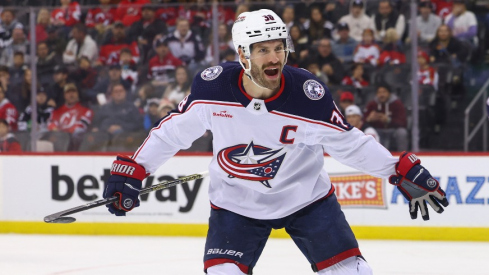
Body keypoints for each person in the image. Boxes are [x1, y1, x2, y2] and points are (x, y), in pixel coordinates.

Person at [101, 9, 449, 275]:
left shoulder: (306, 95)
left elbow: (349, 143)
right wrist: (135, 170)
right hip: (237, 205)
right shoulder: (213, 90)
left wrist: (396, 169)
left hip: (307, 199)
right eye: (263, 49)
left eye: (279, 47)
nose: (274, 58)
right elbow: (171, 132)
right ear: (243, 54)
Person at [47, 83, 93, 150]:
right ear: (64, 95)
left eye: (73, 92)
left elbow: (80, 126)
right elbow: (51, 124)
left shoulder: (86, 110)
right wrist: (56, 130)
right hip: (59, 142)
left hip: (76, 144)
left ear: (77, 94)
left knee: (78, 132)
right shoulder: (57, 111)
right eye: (68, 92)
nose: (71, 95)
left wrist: (63, 132)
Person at [364, 83, 408, 151]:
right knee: (369, 131)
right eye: (379, 92)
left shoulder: (397, 104)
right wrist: (369, 119)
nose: (381, 95)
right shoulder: (372, 104)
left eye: (384, 92)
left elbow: (403, 122)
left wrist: (388, 120)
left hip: (393, 130)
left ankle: (402, 154)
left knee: (402, 132)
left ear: (389, 93)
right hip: (377, 130)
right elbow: (362, 121)